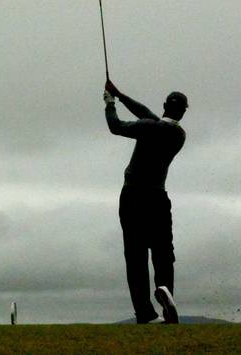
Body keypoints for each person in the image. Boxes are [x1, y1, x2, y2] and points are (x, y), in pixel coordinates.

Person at [104, 80, 186, 324]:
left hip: (132, 198)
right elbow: (145, 113)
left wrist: (110, 103)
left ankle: (145, 314)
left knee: (136, 256)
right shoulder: (179, 134)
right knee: (163, 253)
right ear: (183, 112)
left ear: (164, 106)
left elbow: (115, 126)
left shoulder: (150, 127)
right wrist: (121, 94)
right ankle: (165, 293)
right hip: (158, 198)